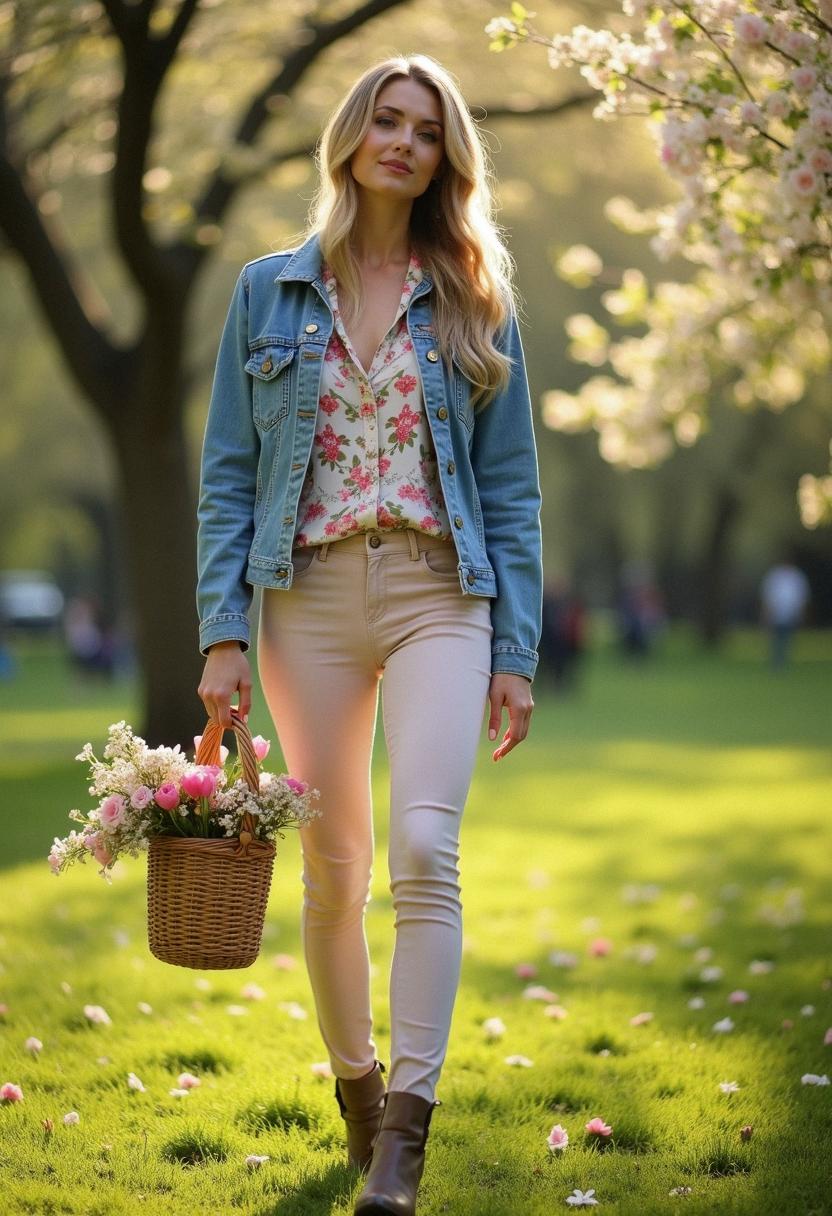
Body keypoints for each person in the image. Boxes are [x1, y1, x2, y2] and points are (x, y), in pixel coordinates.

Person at [195, 54, 542, 1216]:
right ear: (350, 136)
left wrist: (515, 652)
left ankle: (404, 1132)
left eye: (426, 129)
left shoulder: (476, 294)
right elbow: (230, 479)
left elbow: (513, 490)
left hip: (443, 591)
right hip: (306, 598)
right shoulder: (267, 292)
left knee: (425, 850)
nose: (402, 141)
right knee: (334, 869)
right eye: (385, 120)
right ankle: (355, 1082)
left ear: (448, 156)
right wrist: (222, 635)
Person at [760, 554, 810, 670]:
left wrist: (800, 612)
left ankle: (783, 661)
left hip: (791, 612)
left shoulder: (797, 576)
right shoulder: (775, 576)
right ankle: (776, 661)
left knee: (787, 638)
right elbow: (768, 595)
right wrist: (767, 611)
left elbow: (801, 596)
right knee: (775, 638)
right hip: (776, 611)